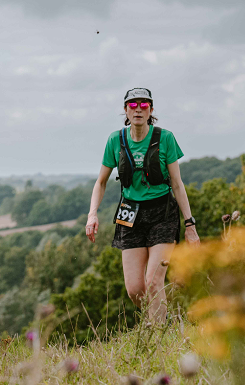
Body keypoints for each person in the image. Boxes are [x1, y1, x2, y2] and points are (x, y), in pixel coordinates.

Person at [85, 87, 199, 323]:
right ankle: (162, 320)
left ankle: (158, 338)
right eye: (133, 105)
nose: (138, 109)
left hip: (162, 213)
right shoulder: (115, 140)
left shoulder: (165, 138)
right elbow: (101, 182)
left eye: (144, 105)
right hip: (130, 215)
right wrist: (92, 214)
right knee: (136, 289)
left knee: (154, 281)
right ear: (125, 110)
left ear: (151, 110)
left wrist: (190, 225)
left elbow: (177, 184)